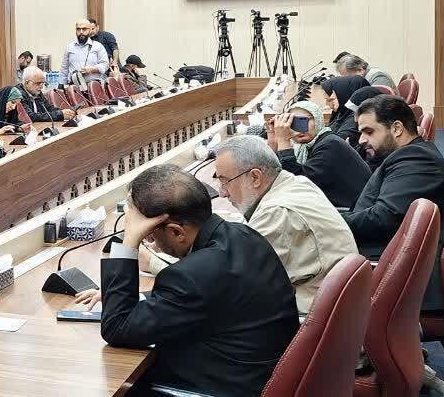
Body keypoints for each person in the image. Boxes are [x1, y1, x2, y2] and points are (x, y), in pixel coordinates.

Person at [90, 165, 299, 397]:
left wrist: (129, 241)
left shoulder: (190, 277)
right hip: (259, 377)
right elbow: (209, 296)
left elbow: (117, 329)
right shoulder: (244, 235)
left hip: (217, 388)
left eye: (148, 234)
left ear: (176, 232)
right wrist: (131, 296)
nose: (148, 239)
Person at [210, 136, 358, 315]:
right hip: (338, 308)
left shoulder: (277, 213)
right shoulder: (296, 183)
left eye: (225, 181)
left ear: (255, 177)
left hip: (310, 317)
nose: (222, 193)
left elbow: (230, 281)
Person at [345, 95, 444, 312]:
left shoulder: (416, 160)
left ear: (397, 128)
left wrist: (326, 222)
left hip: (391, 273)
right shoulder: (407, 155)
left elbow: (382, 218)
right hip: (382, 257)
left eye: (369, 132)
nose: (361, 140)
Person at [267, 101, 371, 209]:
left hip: (354, 211)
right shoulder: (307, 147)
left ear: (317, 120)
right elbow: (276, 175)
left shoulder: (330, 144)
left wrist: (283, 140)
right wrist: (273, 142)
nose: (300, 127)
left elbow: (296, 183)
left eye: (303, 120)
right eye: (293, 122)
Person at [321, 74, 370, 149]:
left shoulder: (356, 118)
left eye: (331, 100)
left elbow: (334, 143)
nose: (328, 105)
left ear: (344, 95)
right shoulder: (342, 112)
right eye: (327, 100)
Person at [60, 19, 109, 86]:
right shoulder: (70, 47)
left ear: (90, 30)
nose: (81, 32)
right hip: (74, 86)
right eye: (78, 29)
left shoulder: (98, 46)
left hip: (93, 86)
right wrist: (61, 85)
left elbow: (105, 65)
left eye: (84, 29)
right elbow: (64, 69)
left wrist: (92, 69)